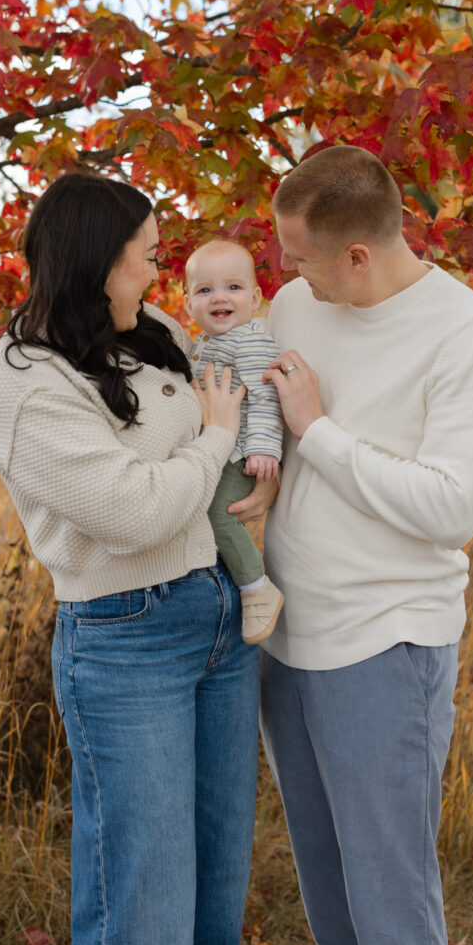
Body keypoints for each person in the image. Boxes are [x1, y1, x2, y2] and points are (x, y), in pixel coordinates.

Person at [0, 171, 265, 945]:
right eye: (145, 256)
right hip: (126, 638)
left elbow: (220, 434)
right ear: (99, 261)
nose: (157, 272)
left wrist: (246, 468)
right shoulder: (22, 380)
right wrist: (210, 441)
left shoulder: (151, 328)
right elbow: (135, 512)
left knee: (215, 878)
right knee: (146, 893)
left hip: (217, 615)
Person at [259, 145, 473, 945]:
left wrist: (318, 431)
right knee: (327, 891)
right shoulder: (297, 305)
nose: (289, 273)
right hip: (287, 635)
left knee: (389, 899)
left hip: (384, 640)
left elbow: (450, 507)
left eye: (301, 258)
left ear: (358, 255)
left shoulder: (465, 332)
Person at [184, 239, 284, 643]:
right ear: (188, 301)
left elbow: (265, 397)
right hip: (216, 448)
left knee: (218, 514)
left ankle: (257, 587)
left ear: (256, 298)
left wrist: (264, 450)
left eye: (233, 288)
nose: (219, 297)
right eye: (205, 290)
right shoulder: (203, 343)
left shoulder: (251, 341)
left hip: (241, 453)